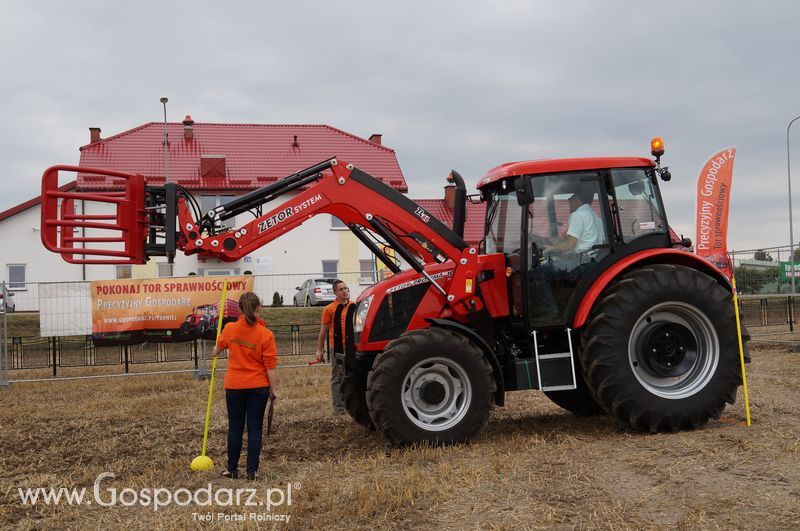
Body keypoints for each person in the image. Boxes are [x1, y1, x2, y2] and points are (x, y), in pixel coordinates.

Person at [213, 292, 278, 481]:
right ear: (259, 308)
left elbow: (216, 350)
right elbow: (270, 366)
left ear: (239, 310)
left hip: (234, 385)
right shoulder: (266, 334)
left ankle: (232, 469)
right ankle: (252, 472)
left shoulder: (230, 329)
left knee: (235, 427)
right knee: (254, 429)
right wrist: (274, 390)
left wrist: (217, 348)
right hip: (258, 386)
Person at [315, 279, 354, 414]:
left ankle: (351, 405)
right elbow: (323, 331)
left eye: (346, 288)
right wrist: (319, 350)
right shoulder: (329, 309)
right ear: (335, 293)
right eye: (341, 289)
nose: (345, 291)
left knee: (351, 375)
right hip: (336, 347)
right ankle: (338, 407)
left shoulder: (354, 305)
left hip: (352, 346)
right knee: (337, 376)